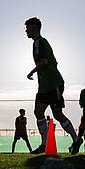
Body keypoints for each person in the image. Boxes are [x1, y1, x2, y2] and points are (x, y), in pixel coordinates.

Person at [25, 17, 77, 154]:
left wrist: (31, 72)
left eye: (27, 27)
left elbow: (44, 61)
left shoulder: (39, 42)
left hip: (54, 85)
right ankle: (45, 144)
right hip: (44, 86)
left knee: (58, 114)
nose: (25, 31)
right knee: (38, 112)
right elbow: (53, 62)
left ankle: (76, 139)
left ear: (35, 27)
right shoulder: (40, 42)